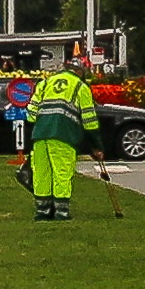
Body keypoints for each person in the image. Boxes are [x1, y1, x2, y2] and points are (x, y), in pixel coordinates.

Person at [24, 54, 97, 222]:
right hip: (63, 135)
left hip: (40, 135)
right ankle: (61, 212)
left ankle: (42, 211)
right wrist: (96, 146)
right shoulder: (81, 87)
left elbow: (31, 115)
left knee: (42, 173)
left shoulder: (45, 83)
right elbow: (90, 121)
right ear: (80, 72)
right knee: (62, 172)